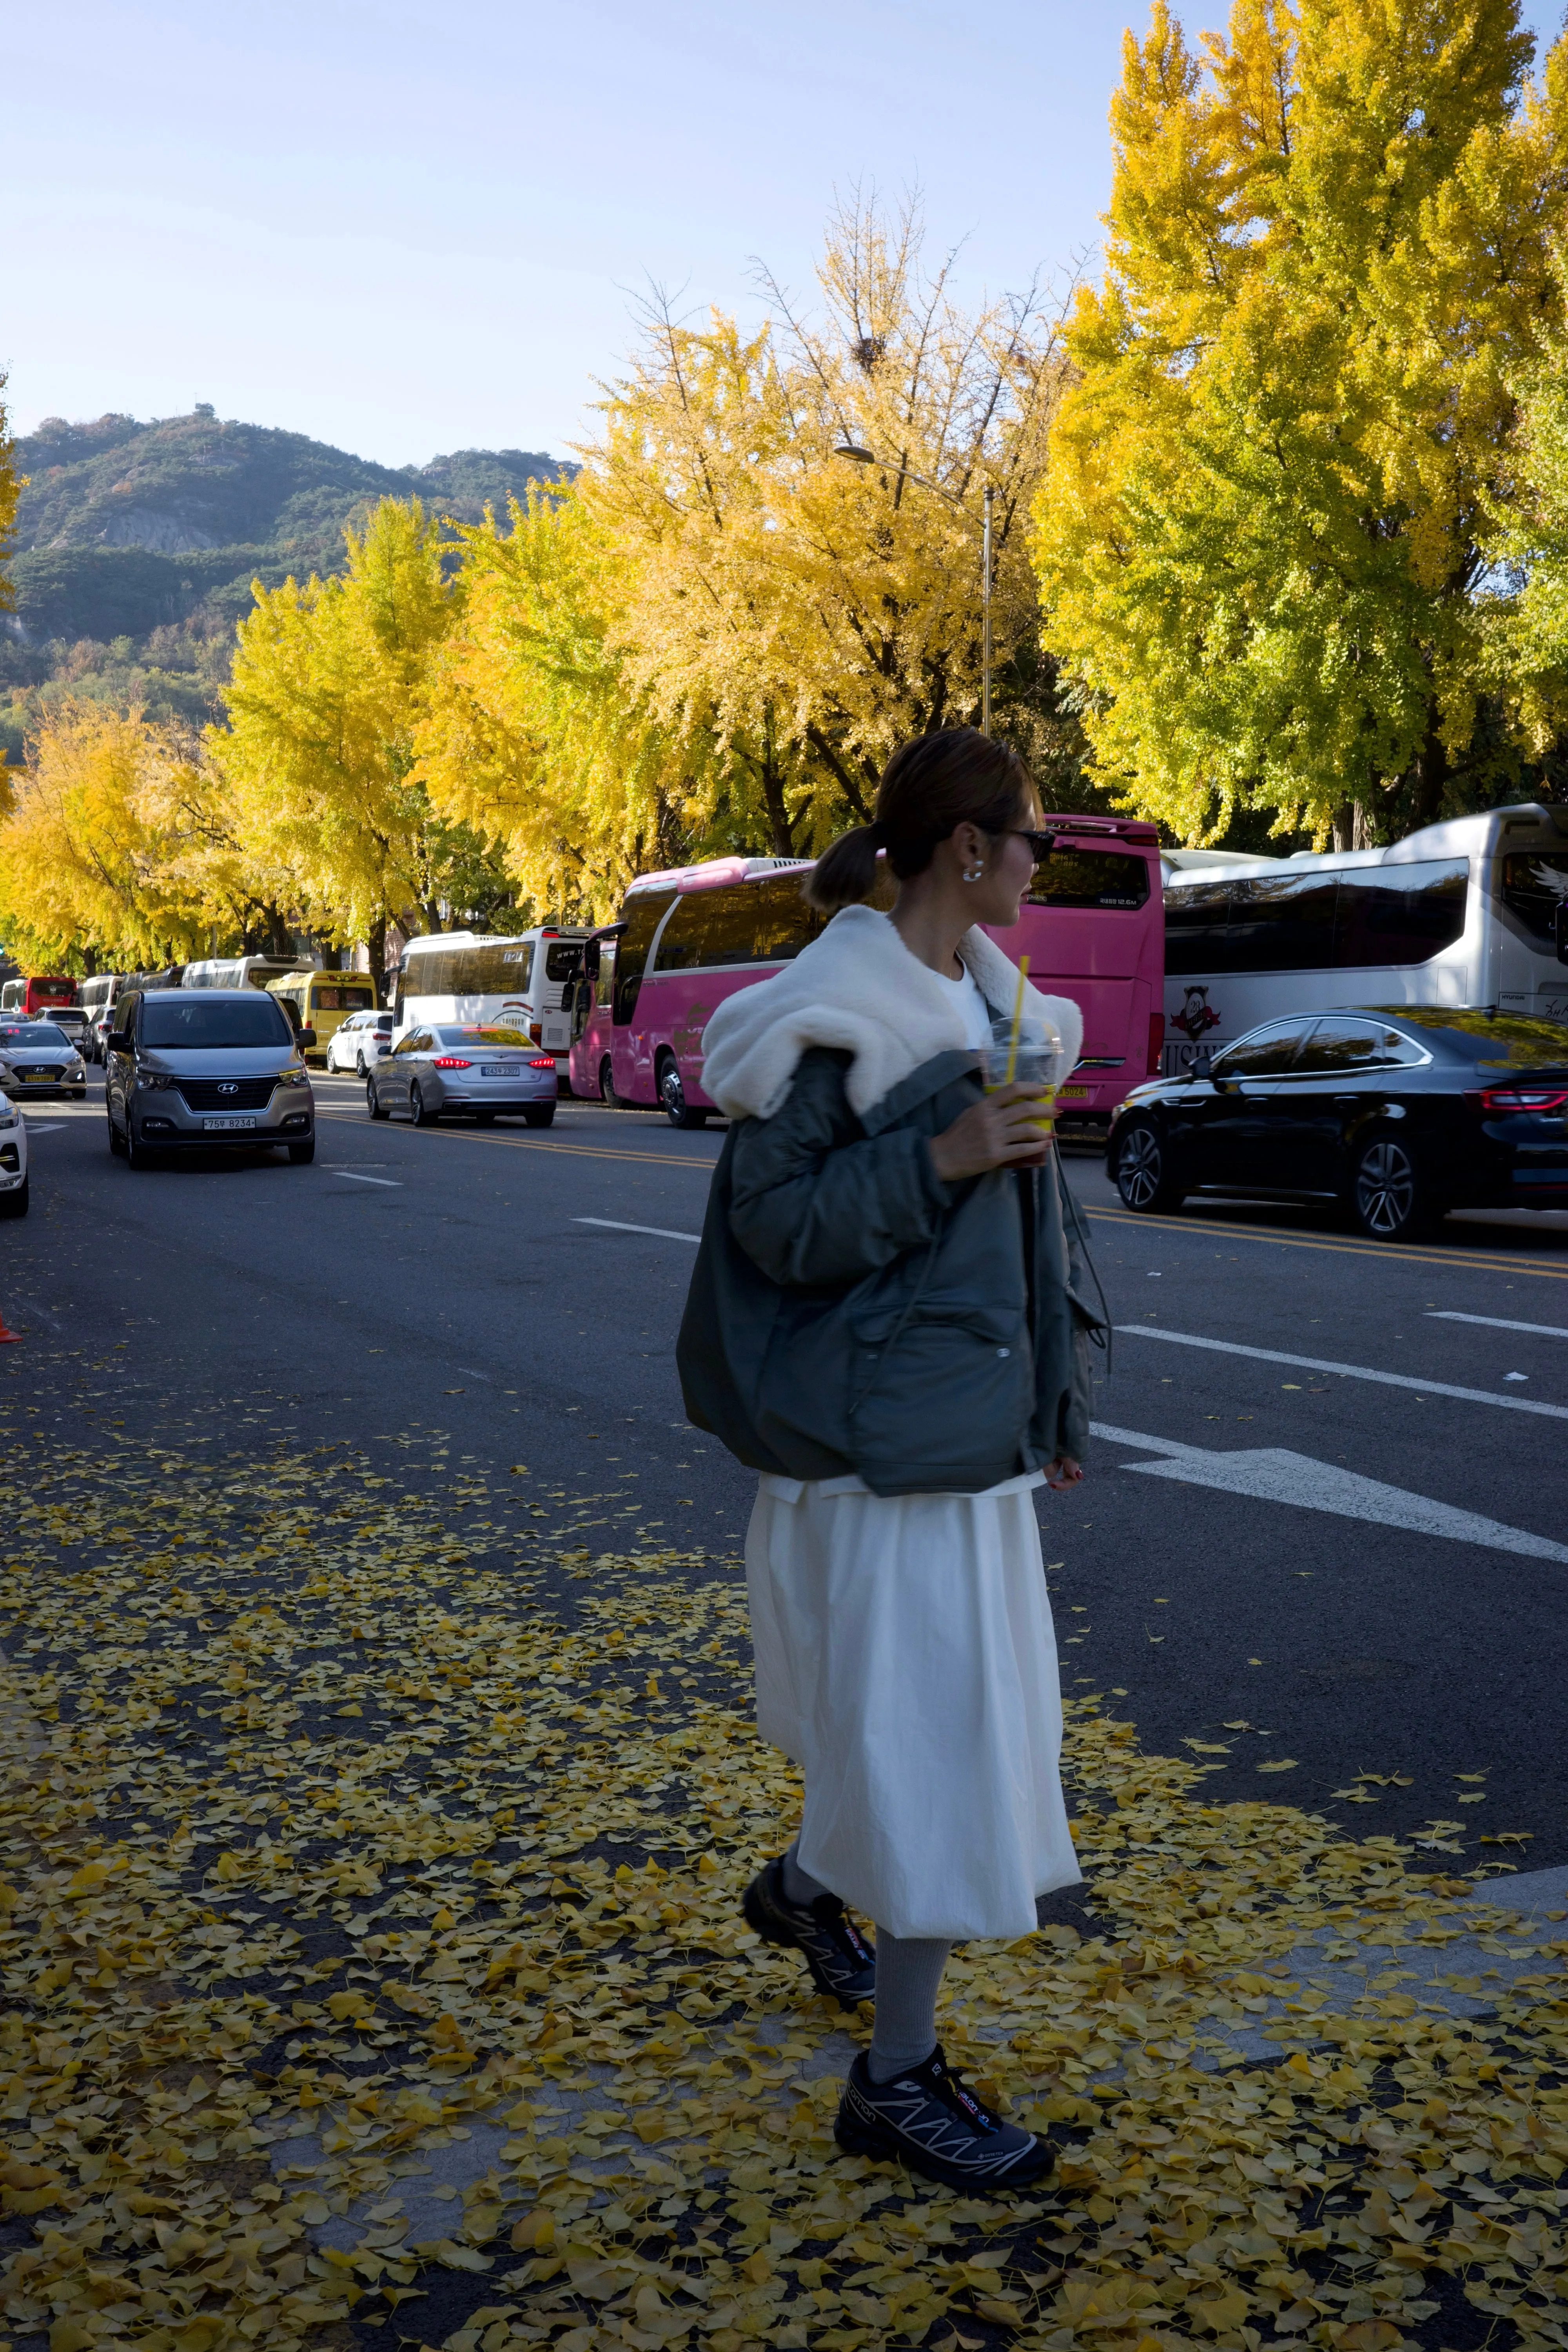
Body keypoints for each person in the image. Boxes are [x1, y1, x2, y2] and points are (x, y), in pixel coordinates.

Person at [677, 726, 1104, 2194]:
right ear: (967, 848)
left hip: (962, 1451)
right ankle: (897, 2081)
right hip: (874, 1466)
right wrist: (940, 1157)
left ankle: (804, 1897)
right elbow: (773, 1231)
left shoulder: (998, 1007)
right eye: (1032, 833)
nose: (1046, 859)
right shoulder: (840, 1014)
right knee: (937, 1755)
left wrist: (1049, 1417)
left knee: (949, 1737)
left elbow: (1028, 1255)